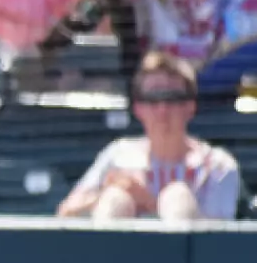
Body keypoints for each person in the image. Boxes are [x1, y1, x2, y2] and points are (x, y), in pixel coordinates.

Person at [57, 52, 240, 222]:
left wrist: (148, 202)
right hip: (117, 254)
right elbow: (65, 214)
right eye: (152, 98)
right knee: (115, 199)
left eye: (173, 98)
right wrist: (105, 193)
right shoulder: (119, 156)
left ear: (191, 106)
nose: (163, 109)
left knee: (178, 198)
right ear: (138, 108)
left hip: (186, 255)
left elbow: (218, 244)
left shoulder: (217, 166)